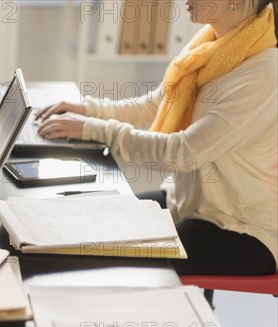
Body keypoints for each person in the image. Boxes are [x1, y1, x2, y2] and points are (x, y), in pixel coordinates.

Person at [35, 0, 278, 275]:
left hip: (238, 229)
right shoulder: (212, 43)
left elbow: (184, 152)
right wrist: (90, 110)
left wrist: (94, 129)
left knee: (106, 258)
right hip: (185, 203)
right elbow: (157, 105)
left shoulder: (262, 74)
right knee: (87, 223)